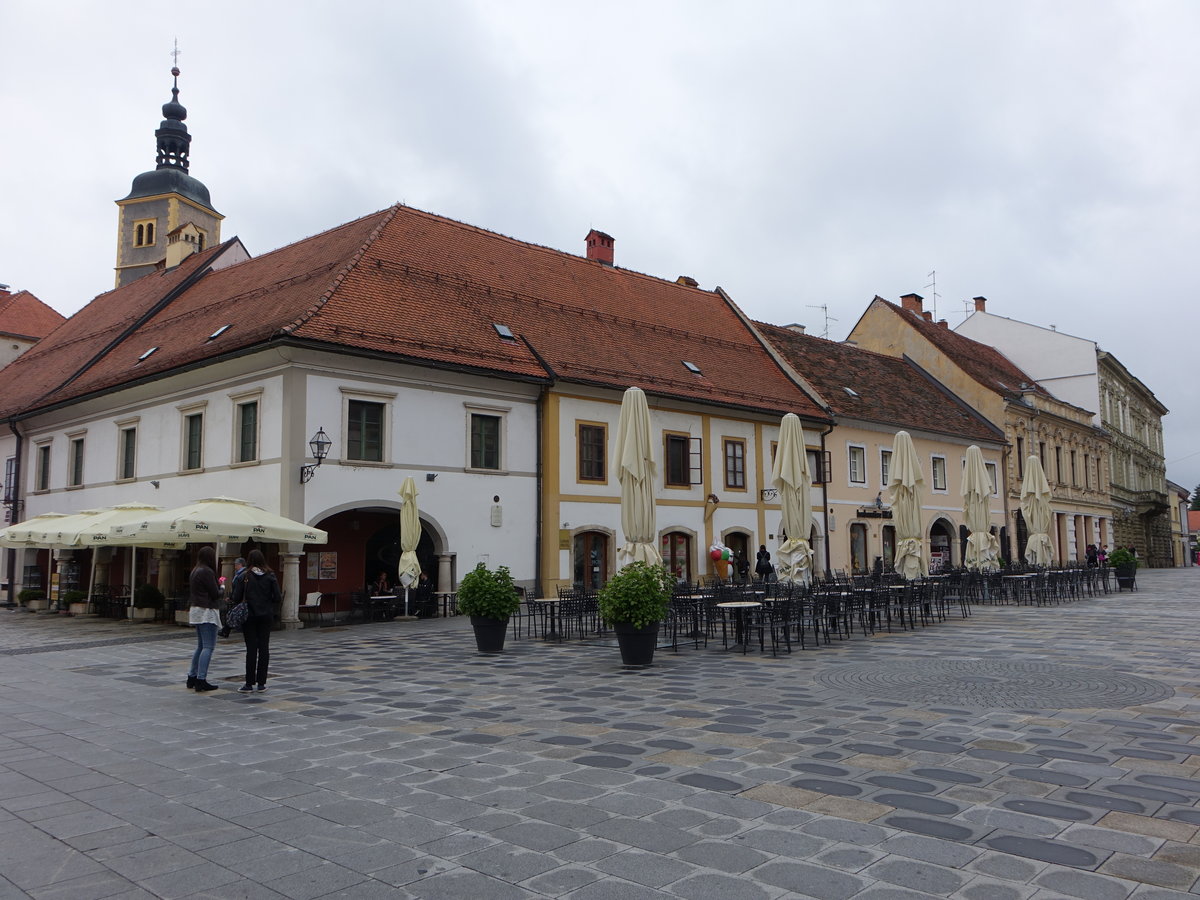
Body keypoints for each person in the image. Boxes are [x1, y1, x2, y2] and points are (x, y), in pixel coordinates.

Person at [232, 548, 281, 693]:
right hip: (265, 616)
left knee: (251, 649)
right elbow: (277, 597)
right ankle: (261, 683)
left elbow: (236, 597)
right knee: (264, 648)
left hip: (250, 616)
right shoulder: (270, 575)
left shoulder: (244, 576)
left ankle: (249, 683)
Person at [186, 546, 222, 692]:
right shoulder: (207, 571)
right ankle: (201, 679)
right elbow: (215, 593)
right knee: (208, 646)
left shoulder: (195, 570)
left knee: (200, 646)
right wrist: (222, 587)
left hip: (196, 609)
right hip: (207, 611)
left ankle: (192, 677)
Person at [219, 558, 248, 638]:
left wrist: (234, 598)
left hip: (240, 599)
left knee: (232, 614)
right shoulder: (239, 574)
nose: (235, 566)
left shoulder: (242, 574)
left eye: (236, 565)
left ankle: (225, 630)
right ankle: (226, 630)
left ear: (240, 565)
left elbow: (238, 589)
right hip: (239, 598)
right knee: (234, 614)